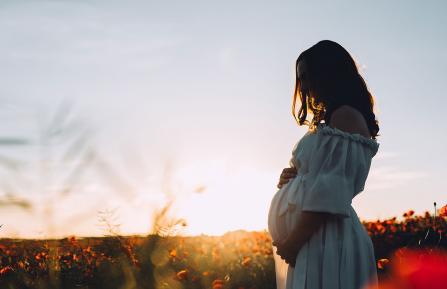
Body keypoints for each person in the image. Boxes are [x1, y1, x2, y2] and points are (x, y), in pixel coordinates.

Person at [267, 40, 380, 289]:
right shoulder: (329, 122)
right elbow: (321, 176)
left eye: (308, 76)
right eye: (301, 78)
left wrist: (294, 240)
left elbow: (332, 189)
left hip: (327, 240)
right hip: (316, 239)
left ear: (330, 72)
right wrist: (293, 178)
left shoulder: (346, 116)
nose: (305, 85)